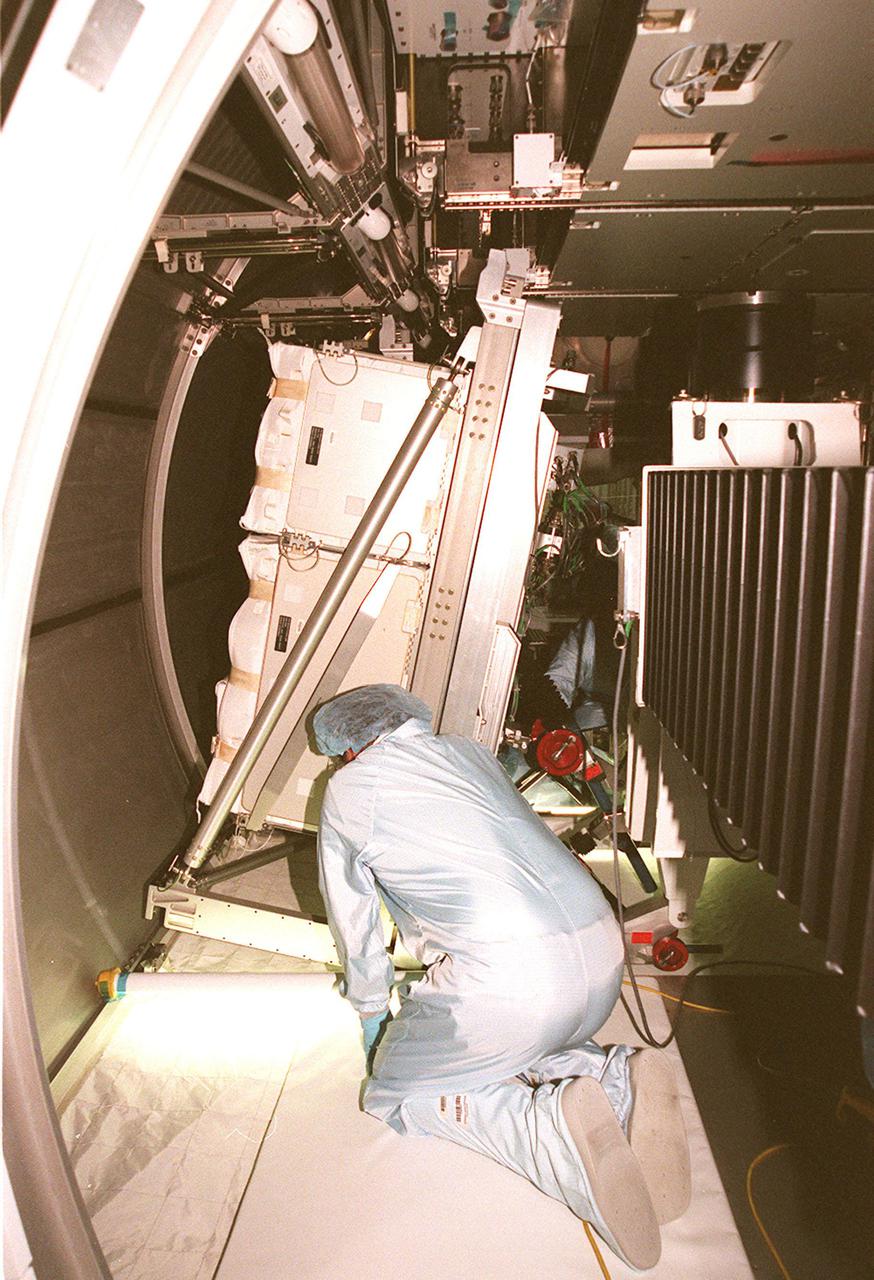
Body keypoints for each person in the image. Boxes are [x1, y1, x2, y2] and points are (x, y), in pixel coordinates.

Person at [313, 683, 690, 1270]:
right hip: (602, 957)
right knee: (502, 1039)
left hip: (514, 985)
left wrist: (370, 1011)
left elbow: (353, 921)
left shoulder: (347, 791)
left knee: (397, 1093)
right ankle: (613, 1077)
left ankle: (546, 1136)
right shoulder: (467, 751)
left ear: (350, 750)